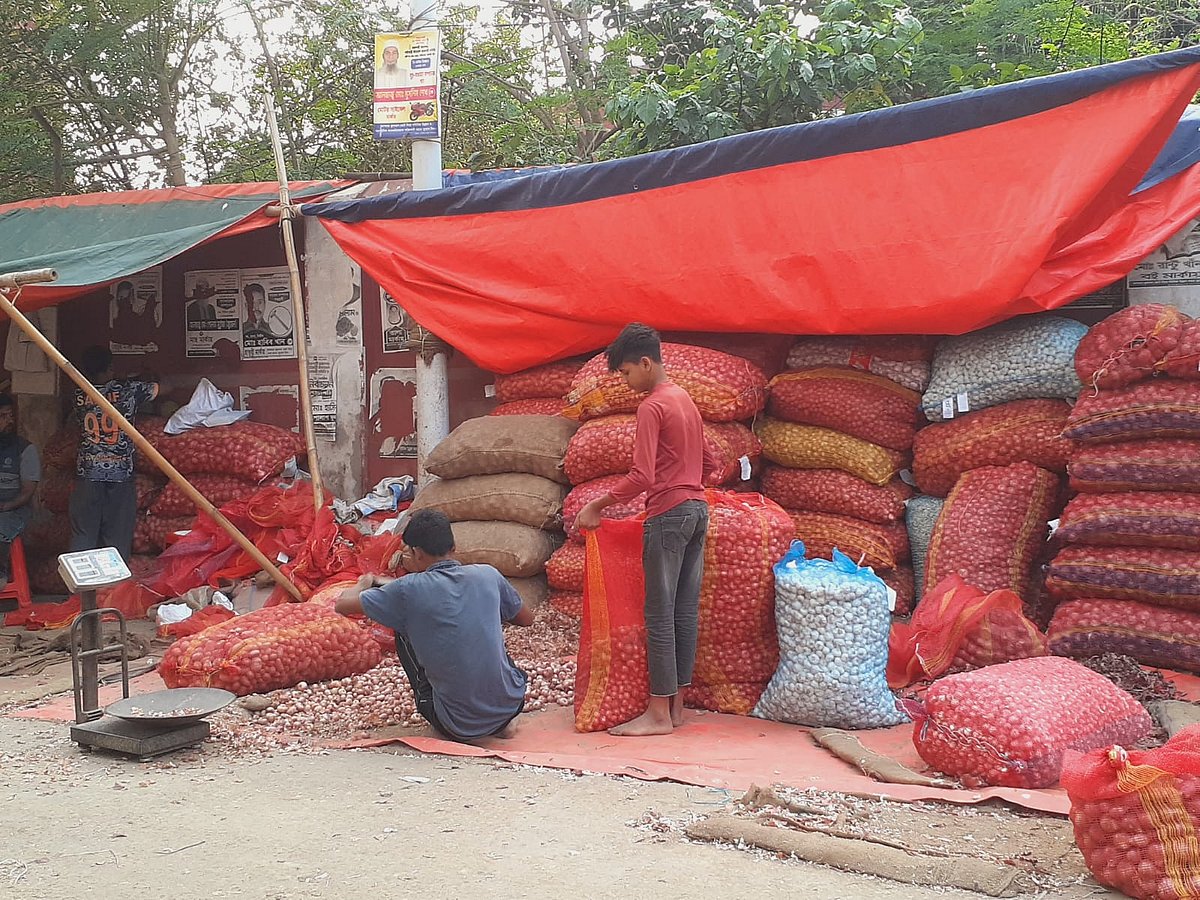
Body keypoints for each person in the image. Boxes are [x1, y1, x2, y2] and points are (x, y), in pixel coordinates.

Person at [575, 323, 718, 737]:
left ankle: (657, 715)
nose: (625, 381)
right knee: (683, 612)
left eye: (624, 373)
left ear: (645, 363)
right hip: (697, 511)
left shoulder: (653, 406)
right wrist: (688, 480)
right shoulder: (685, 400)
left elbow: (641, 475)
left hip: (668, 515)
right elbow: (712, 462)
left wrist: (597, 505)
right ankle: (676, 709)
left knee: (659, 614)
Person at [336, 509, 534, 742]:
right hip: (512, 705)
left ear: (417, 553)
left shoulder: (407, 590)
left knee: (403, 628)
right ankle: (502, 721)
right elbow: (526, 619)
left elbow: (342, 605)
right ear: (454, 547)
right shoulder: (488, 575)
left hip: (457, 724)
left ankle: (445, 713)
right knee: (485, 624)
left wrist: (365, 583)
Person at [69, 346, 158, 561]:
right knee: (117, 535)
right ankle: (113, 588)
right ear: (110, 367)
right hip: (120, 472)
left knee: (84, 534)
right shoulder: (128, 390)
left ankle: (81, 584)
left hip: (88, 471)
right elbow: (161, 389)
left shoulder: (79, 393)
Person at [0, 394, 40, 592]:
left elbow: (28, 491)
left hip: (14, 509)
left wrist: (6, 506)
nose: (10, 421)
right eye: (3, 416)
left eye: (10, 416)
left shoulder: (25, 449)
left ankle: (1, 572)